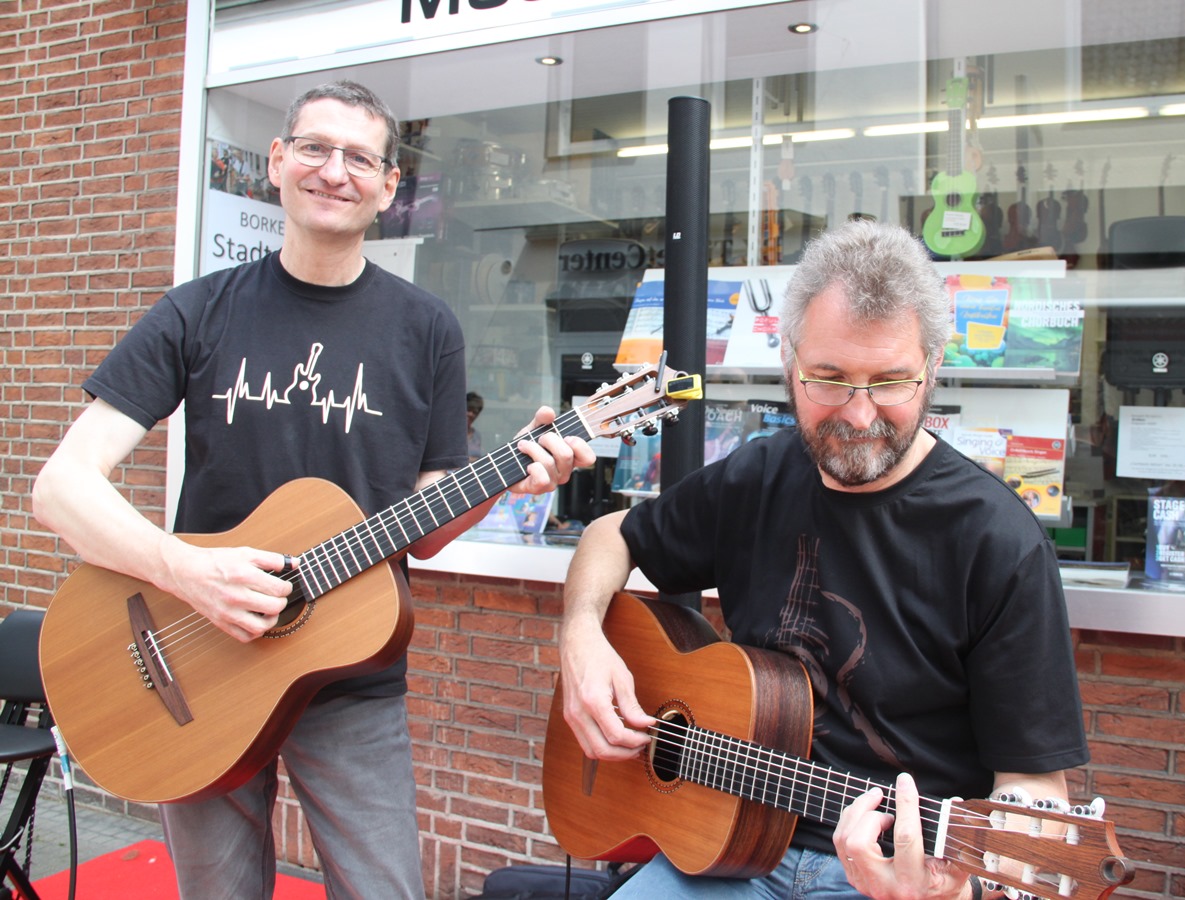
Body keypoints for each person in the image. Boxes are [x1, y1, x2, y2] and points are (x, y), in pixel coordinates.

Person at [32, 80, 595, 899]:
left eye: (360, 157)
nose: (336, 171)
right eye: (316, 148)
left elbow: (426, 524)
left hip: (352, 677)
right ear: (277, 161)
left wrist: (509, 476)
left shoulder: (426, 328)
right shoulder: (199, 311)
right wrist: (187, 573)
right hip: (198, 660)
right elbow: (61, 489)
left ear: (389, 186)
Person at [556, 220, 1088, 900]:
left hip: (893, 881)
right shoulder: (756, 477)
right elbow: (612, 534)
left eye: (892, 382)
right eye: (829, 380)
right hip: (726, 849)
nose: (860, 415)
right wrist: (580, 637)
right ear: (789, 361)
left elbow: (1035, 795)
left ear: (933, 366)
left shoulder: (998, 541)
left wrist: (952, 892)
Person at [467, 390, 485, 460]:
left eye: (475, 412)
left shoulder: (477, 435)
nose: (471, 414)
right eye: (468, 409)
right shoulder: (449, 433)